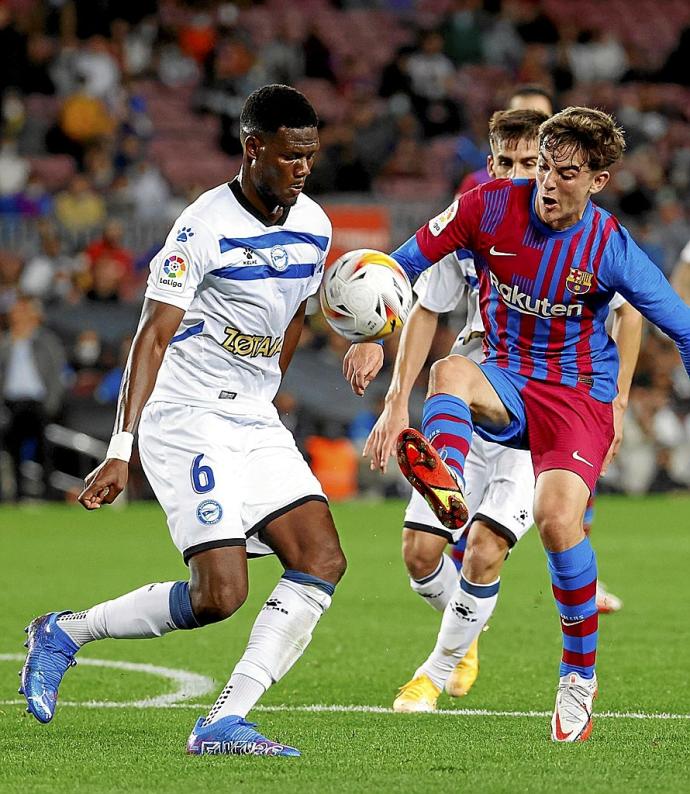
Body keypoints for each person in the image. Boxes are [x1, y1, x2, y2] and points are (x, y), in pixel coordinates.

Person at [20, 84, 347, 757]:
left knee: (321, 558)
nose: (303, 168)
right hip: (186, 415)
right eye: (291, 156)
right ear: (253, 148)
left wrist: (266, 387)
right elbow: (151, 337)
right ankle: (65, 632)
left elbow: (294, 315)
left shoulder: (314, 223)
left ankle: (223, 721)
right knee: (221, 595)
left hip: (251, 418)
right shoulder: (201, 226)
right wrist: (121, 448)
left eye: (310, 156)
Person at [344, 107, 690, 741]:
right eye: (544, 170)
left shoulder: (610, 247)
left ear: (599, 181)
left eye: (567, 174)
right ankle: (446, 485)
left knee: (559, 521)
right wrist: (373, 322)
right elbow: (406, 262)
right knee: (450, 370)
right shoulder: (486, 206)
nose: (549, 185)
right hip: (506, 378)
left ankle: (578, 678)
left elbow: (681, 325)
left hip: (579, 398)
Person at [0, 296, 66, 500]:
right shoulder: (6, 342)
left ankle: (48, 494)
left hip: (38, 403)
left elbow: (57, 373)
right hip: (11, 403)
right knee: (13, 451)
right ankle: (17, 494)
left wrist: (51, 405)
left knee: (45, 450)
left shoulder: (45, 341)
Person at [455, 84, 554, 195]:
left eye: (539, 119)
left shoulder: (568, 190)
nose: (529, 126)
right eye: (520, 117)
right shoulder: (476, 185)